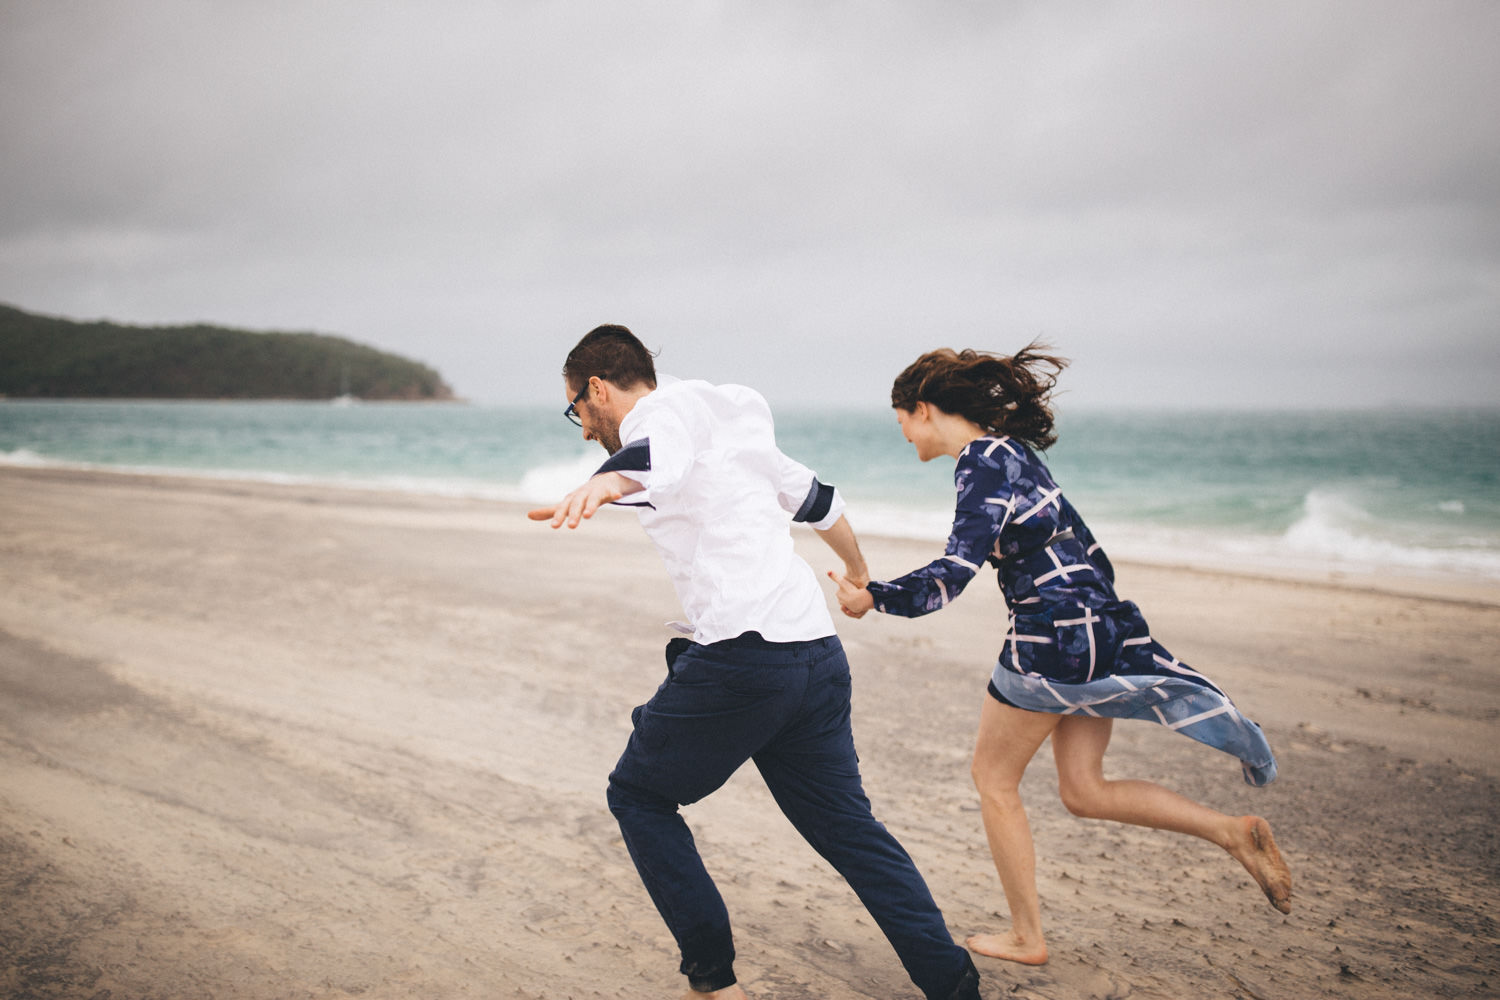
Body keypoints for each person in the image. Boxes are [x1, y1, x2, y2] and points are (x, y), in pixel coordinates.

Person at [528, 325, 982, 1000]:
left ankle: (712, 983)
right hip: (814, 655)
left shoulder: (662, 419)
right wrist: (858, 577)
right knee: (851, 832)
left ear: (597, 388)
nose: (582, 426)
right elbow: (820, 502)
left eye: (577, 409)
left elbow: (659, 456)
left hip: (746, 662)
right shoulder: (729, 419)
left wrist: (603, 484)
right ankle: (954, 985)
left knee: (638, 796)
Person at [831, 344, 1293, 968]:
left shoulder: (981, 462)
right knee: (1083, 790)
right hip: (1097, 628)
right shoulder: (1015, 456)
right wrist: (1104, 634)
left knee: (993, 780)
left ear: (924, 409)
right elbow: (1087, 552)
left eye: (902, 422)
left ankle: (1027, 936)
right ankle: (1232, 831)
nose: (903, 435)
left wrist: (874, 599)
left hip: (1050, 641)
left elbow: (956, 570)